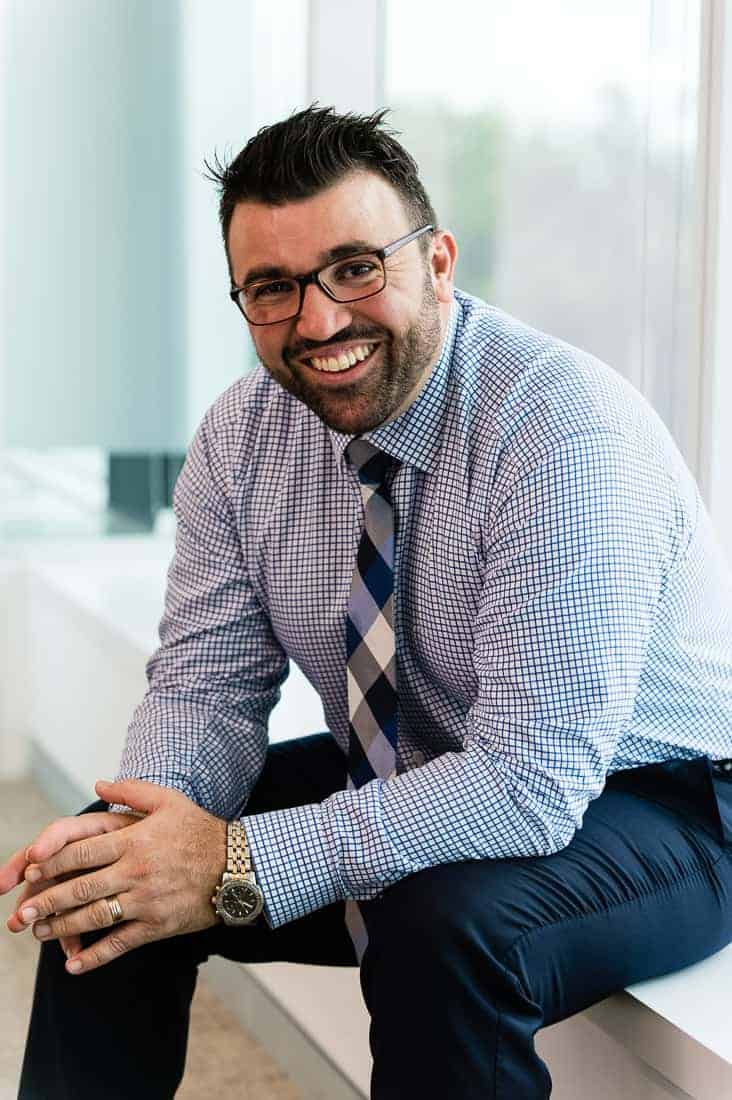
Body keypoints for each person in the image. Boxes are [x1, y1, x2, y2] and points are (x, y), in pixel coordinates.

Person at [4, 104, 732, 1100]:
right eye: (273, 288)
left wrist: (230, 856)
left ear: (438, 261)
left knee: (443, 928)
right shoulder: (240, 437)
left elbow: (530, 780)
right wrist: (157, 834)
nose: (319, 319)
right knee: (105, 879)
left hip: (662, 796)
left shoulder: (564, 433)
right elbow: (205, 689)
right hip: (434, 754)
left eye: (355, 268)